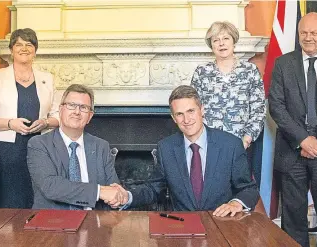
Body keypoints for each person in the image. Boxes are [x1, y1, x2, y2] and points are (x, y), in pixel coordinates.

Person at [112, 85, 258, 216]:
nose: (186, 119)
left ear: (202, 110)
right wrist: (127, 196)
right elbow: (153, 189)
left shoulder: (230, 145)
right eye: (179, 114)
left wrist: (236, 203)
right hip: (183, 226)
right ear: (173, 118)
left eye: (191, 111)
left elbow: (249, 189)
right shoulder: (166, 148)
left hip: (221, 223)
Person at [269, 12, 317, 247]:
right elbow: (276, 106)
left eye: (314, 33)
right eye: (303, 32)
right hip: (292, 151)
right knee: (292, 220)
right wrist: (303, 139)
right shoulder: (283, 63)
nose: (308, 37)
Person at [0, 28, 60, 209]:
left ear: (35, 49)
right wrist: (10, 123)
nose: (24, 48)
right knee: (9, 202)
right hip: (6, 150)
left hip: (40, 147)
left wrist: (45, 122)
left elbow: (57, 116)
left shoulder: (47, 78)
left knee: (38, 197)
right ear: (11, 49)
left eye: (29, 44)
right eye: (19, 44)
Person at [27, 84, 126, 210]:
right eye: (71, 105)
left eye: (83, 107)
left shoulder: (101, 146)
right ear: (61, 110)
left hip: (95, 222)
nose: (77, 112)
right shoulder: (39, 144)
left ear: (90, 116)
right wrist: (98, 191)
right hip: (54, 223)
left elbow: (113, 188)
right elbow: (51, 186)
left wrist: (118, 196)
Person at [190, 21, 266, 186]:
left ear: (234, 41)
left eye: (226, 38)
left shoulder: (250, 71)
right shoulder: (202, 72)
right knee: (211, 193)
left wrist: (246, 139)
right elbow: (193, 109)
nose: (221, 43)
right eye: (216, 40)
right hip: (209, 146)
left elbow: (259, 109)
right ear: (211, 45)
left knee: (239, 193)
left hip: (241, 145)